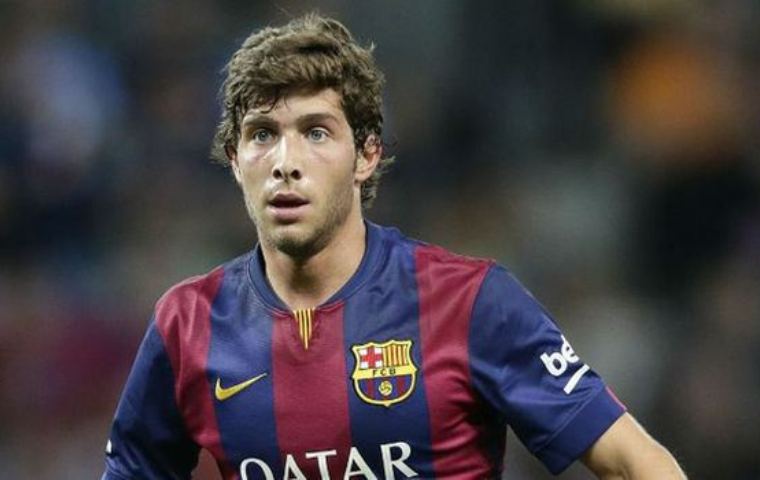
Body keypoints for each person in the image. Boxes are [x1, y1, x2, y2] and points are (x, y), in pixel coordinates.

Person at [102, 13, 686, 480]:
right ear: (235, 161)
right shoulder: (188, 324)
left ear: (367, 155)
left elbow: (637, 463)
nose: (286, 163)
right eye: (262, 134)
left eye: (316, 132)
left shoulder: (471, 302)